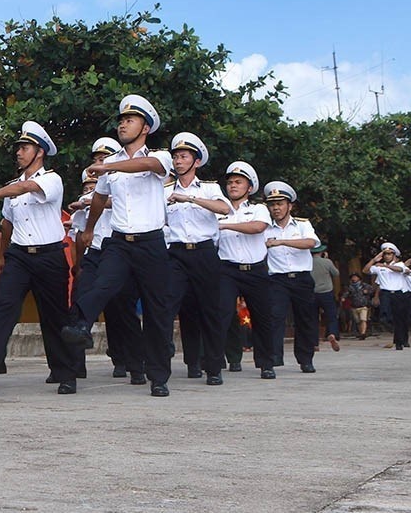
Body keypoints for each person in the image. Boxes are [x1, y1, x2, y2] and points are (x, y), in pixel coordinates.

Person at [62, 95, 175, 397]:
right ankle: (80, 326)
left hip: (151, 242)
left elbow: (150, 164)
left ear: (146, 128)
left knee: (157, 310)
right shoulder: (108, 165)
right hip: (120, 241)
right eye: (122, 120)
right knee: (102, 284)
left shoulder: (160, 157)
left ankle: (158, 375)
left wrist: (110, 168)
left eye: (131, 120)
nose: (123, 124)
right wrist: (87, 230)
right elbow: (98, 198)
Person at [0, 122, 80, 394]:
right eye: (18, 148)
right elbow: (6, 225)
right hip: (19, 256)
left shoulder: (51, 179)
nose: (18, 153)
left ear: (39, 152)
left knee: (55, 316)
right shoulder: (12, 187)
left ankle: (65, 372)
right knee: (4, 307)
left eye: (24, 148)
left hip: (49, 255)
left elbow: (25, 188)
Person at [164, 132, 231, 386]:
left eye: (183, 157)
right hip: (177, 253)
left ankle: (213, 367)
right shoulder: (165, 190)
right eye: (176, 157)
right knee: (167, 305)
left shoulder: (210, 188)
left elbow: (225, 209)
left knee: (210, 311)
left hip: (204, 252)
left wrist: (190, 198)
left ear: (196, 162)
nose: (178, 161)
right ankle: (164, 360)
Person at [214, 161, 276, 379]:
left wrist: (225, 225)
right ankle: (215, 364)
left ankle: (266, 364)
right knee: (221, 314)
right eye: (230, 182)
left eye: (238, 182)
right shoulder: (218, 209)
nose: (233, 186)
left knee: (262, 317)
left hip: (255, 270)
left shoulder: (258, 209)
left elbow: (257, 227)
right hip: (227, 268)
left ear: (249, 188)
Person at [263, 182, 319, 373]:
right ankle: (272, 359)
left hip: (301, 278)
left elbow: (311, 242)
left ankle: (306, 359)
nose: (276, 208)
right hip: (276, 279)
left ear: (290, 205)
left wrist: (281, 242)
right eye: (272, 204)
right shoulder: (265, 227)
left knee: (305, 319)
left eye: (280, 203)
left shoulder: (302, 224)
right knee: (274, 318)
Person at [364, 243, 410, 350]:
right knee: (384, 314)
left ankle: (399, 342)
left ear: (394, 255)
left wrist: (385, 266)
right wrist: (374, 260)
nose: (387, 256)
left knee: (399, 319)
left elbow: (399, 270)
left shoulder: (400, 264)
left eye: (389, 254)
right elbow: (365, 270)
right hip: (386, 293)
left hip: (398, 293)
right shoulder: (379, 266)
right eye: (385, 254)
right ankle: (387, 324)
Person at [310, 246, 341, 352]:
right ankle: (332, 333)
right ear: (322, 252)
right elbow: (336, 273)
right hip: (326, 292)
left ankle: (314, 343)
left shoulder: (307, 262)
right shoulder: (327, 262)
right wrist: (327, 259)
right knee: (331, 315)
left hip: (312, 293)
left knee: (313, 318)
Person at [342, 272, 374, 340]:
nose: (354, 278)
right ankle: (361, 332)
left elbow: (372, 290)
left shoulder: (365, 285)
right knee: (358, 321)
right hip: (354, 306)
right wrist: (343, 297)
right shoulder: (350, 287)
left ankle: (363, 333)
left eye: (355, 277)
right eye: (353, 277)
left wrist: (367, 292)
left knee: (363, 320)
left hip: (363, 305)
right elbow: (346, 293)